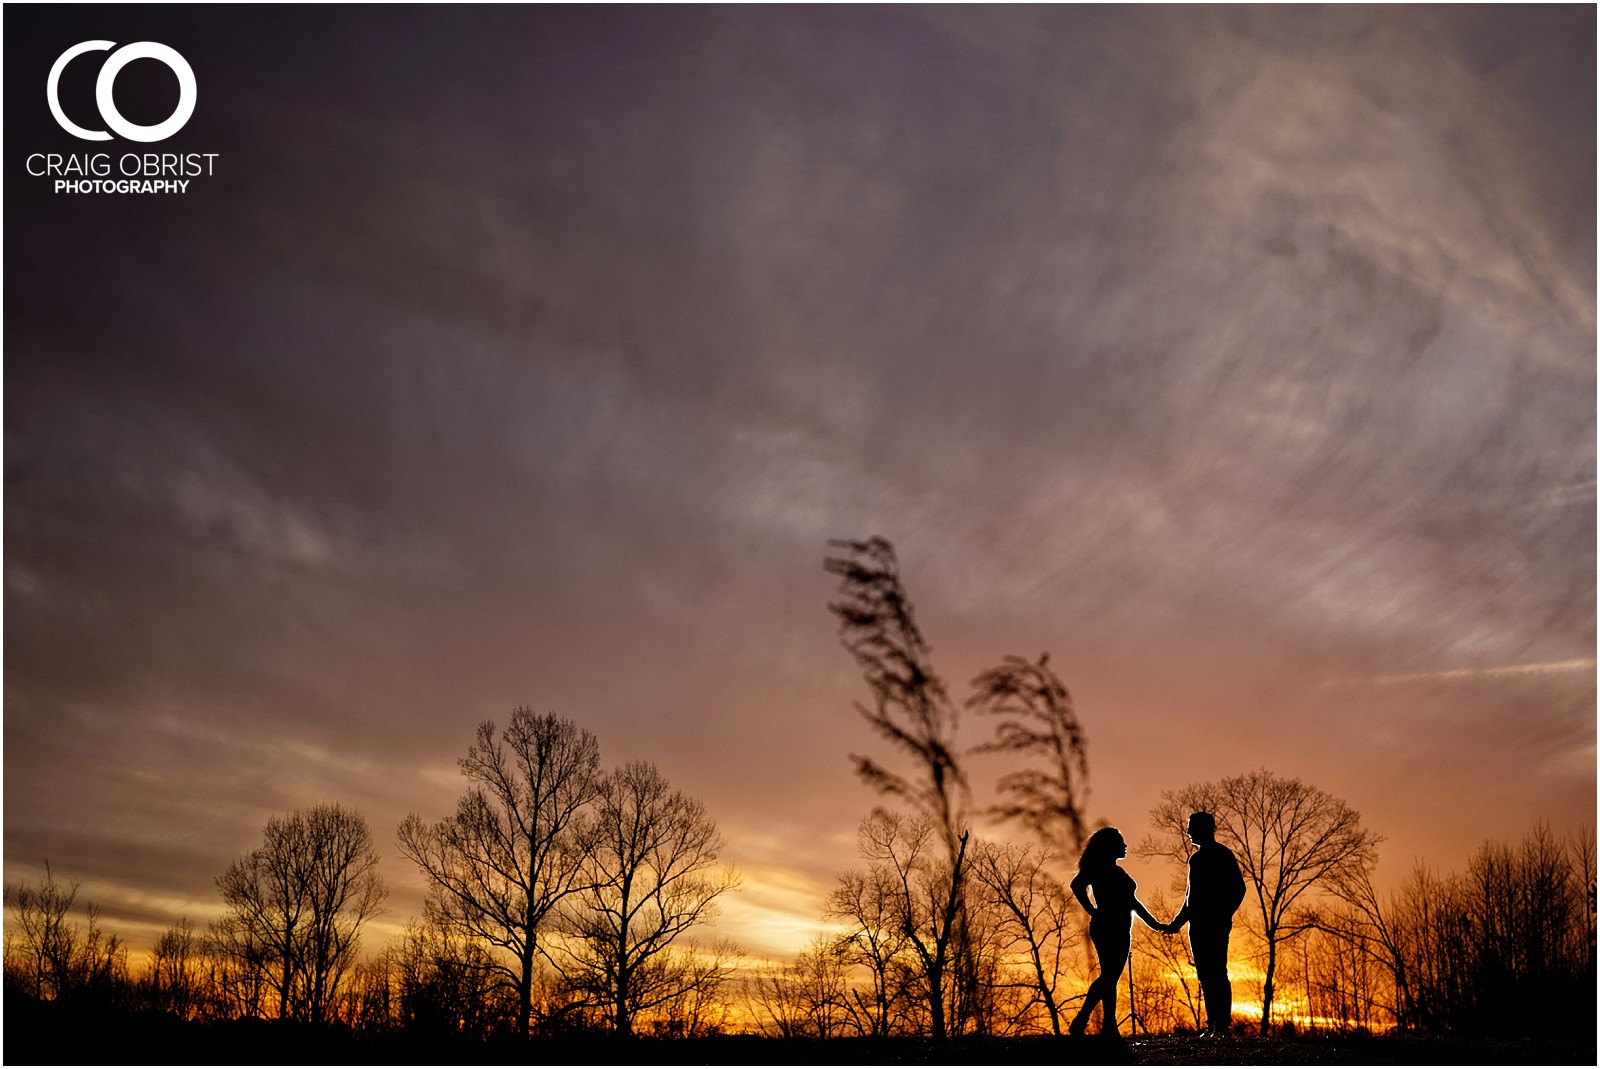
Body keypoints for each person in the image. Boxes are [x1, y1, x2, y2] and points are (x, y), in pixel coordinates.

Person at [1068, 826, 1166, 1036]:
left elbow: (1133, 904)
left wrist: (1155, 924)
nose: (1125, 846)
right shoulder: (1100, 869)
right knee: (1110, 976)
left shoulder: (1116, 871)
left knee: (1110, 977)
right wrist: (1091, 910)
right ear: (1109, 847)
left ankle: (1108, 1025)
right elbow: (1076, 885)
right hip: (1107, 927)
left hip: (1121, 929)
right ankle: (1086, 1019)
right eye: (1120, 843)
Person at [1165, 811, 1247, 1037]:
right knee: (1204, 974)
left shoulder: (1223, 855)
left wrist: (1223, 914)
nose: (1188, 831)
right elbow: (1190, 898)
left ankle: (1222, 1025)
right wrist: (1177, 923)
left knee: (1217, 972)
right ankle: (1213, 1023)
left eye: (1192, 827)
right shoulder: (1195, 859)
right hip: (1197, 926)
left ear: (1206, 828)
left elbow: (1239, 889)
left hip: (1216, 924)